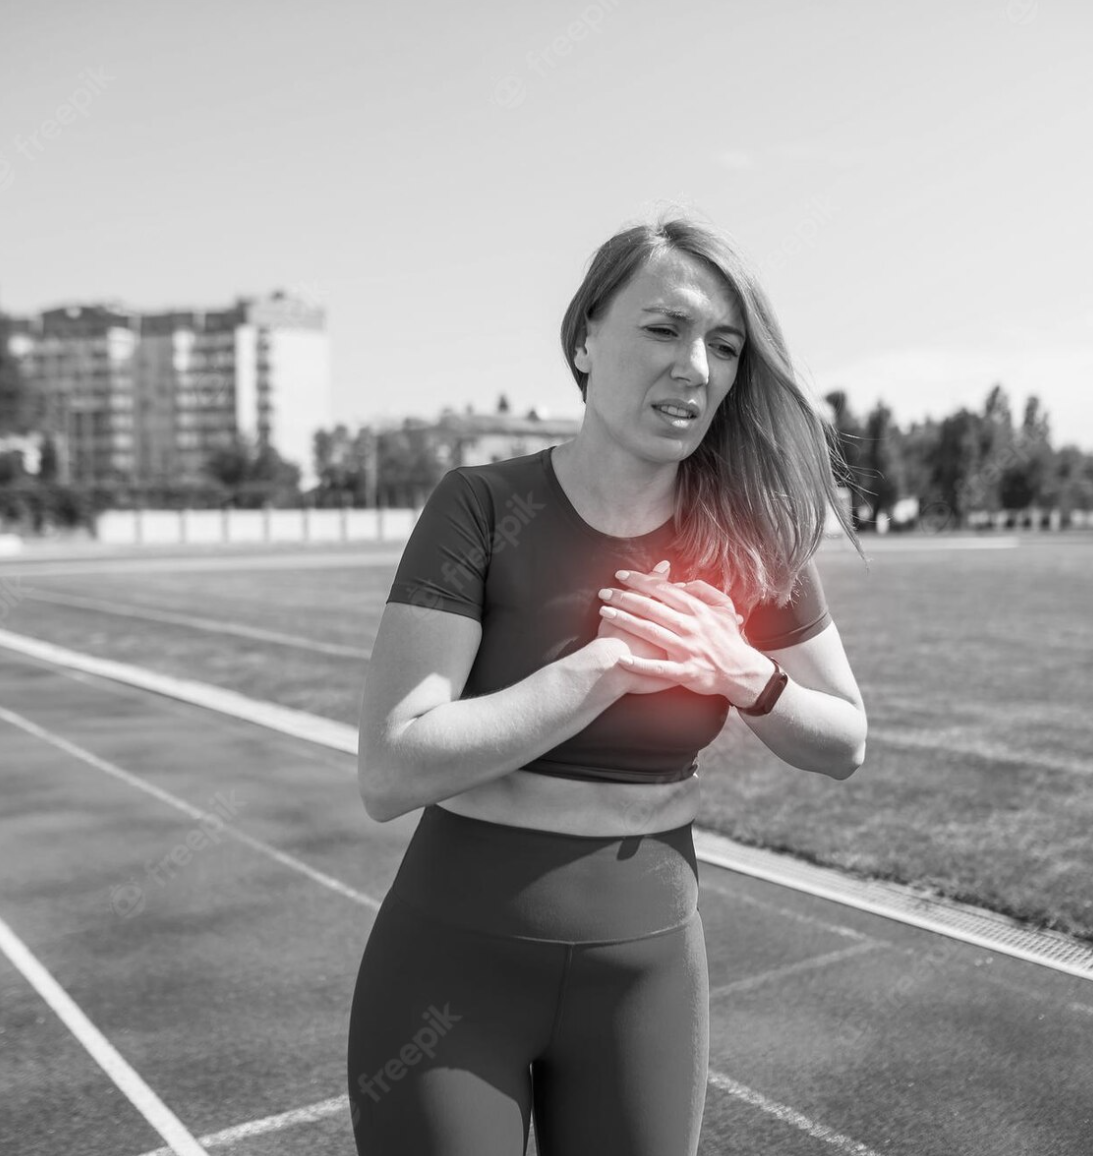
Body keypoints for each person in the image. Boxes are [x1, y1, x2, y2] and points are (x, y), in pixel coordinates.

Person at [348, 211, 870, 1155]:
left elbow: (846, 741)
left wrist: (744, 673)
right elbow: (392, 767)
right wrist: (603, 666)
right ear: (585, 340)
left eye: (724, 346)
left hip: (648, 976)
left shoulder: (752, 531)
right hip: (450, 973)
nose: (695, 367)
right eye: (664, 329)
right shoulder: (481, 506)